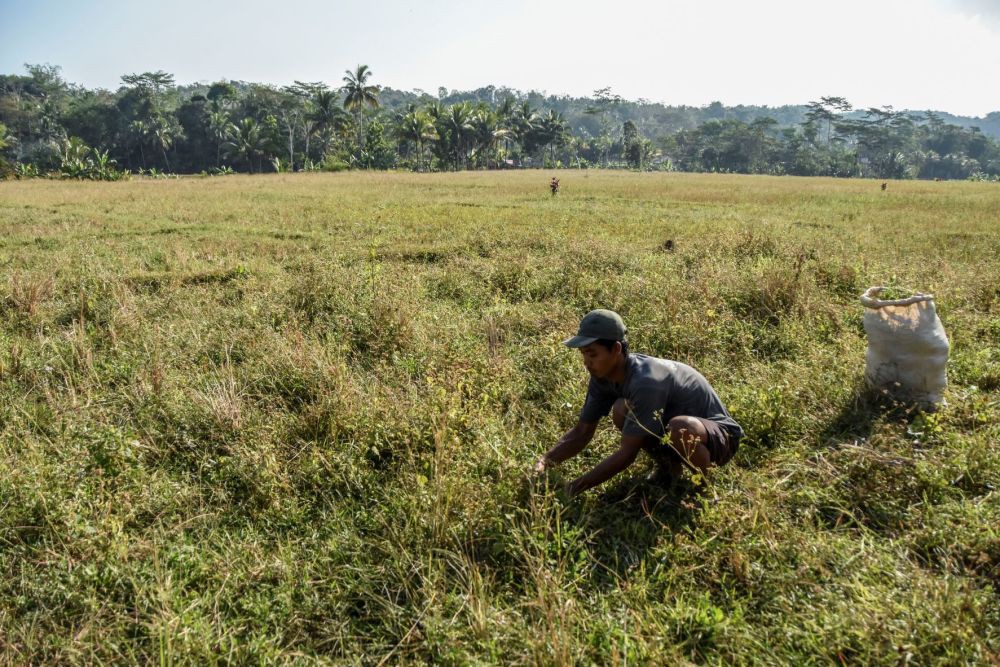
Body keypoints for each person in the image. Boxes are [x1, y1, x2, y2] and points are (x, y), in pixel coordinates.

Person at [535, 309, 744, 497]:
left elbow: (627, 454)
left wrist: (573, 488)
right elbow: (582, 432)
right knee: (620, 409)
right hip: (672, 434)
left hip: (719, 440)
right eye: (583, 354)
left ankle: (705, 487)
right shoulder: (602, 376)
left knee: (681, 428)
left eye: (592, 354)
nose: (586, 362)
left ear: (616, 349)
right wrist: (545, 462)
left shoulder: (647, 381)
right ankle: (668, 467)